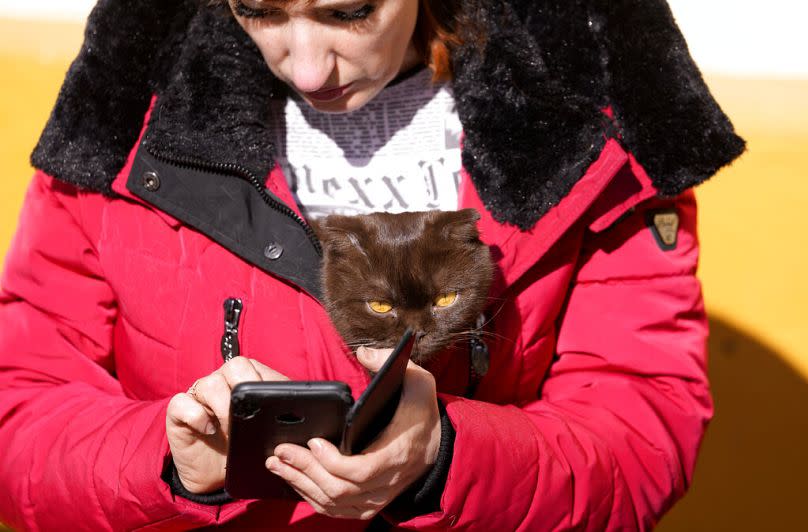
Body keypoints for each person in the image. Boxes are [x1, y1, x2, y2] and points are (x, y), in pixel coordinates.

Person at [0, 0, 744, 529]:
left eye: (349, 11)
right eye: (256, 8)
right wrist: (166, 460)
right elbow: (20, 414)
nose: (306, 65)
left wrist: (446, 456)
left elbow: (641, 431)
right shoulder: (120, 126)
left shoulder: (591, 133)